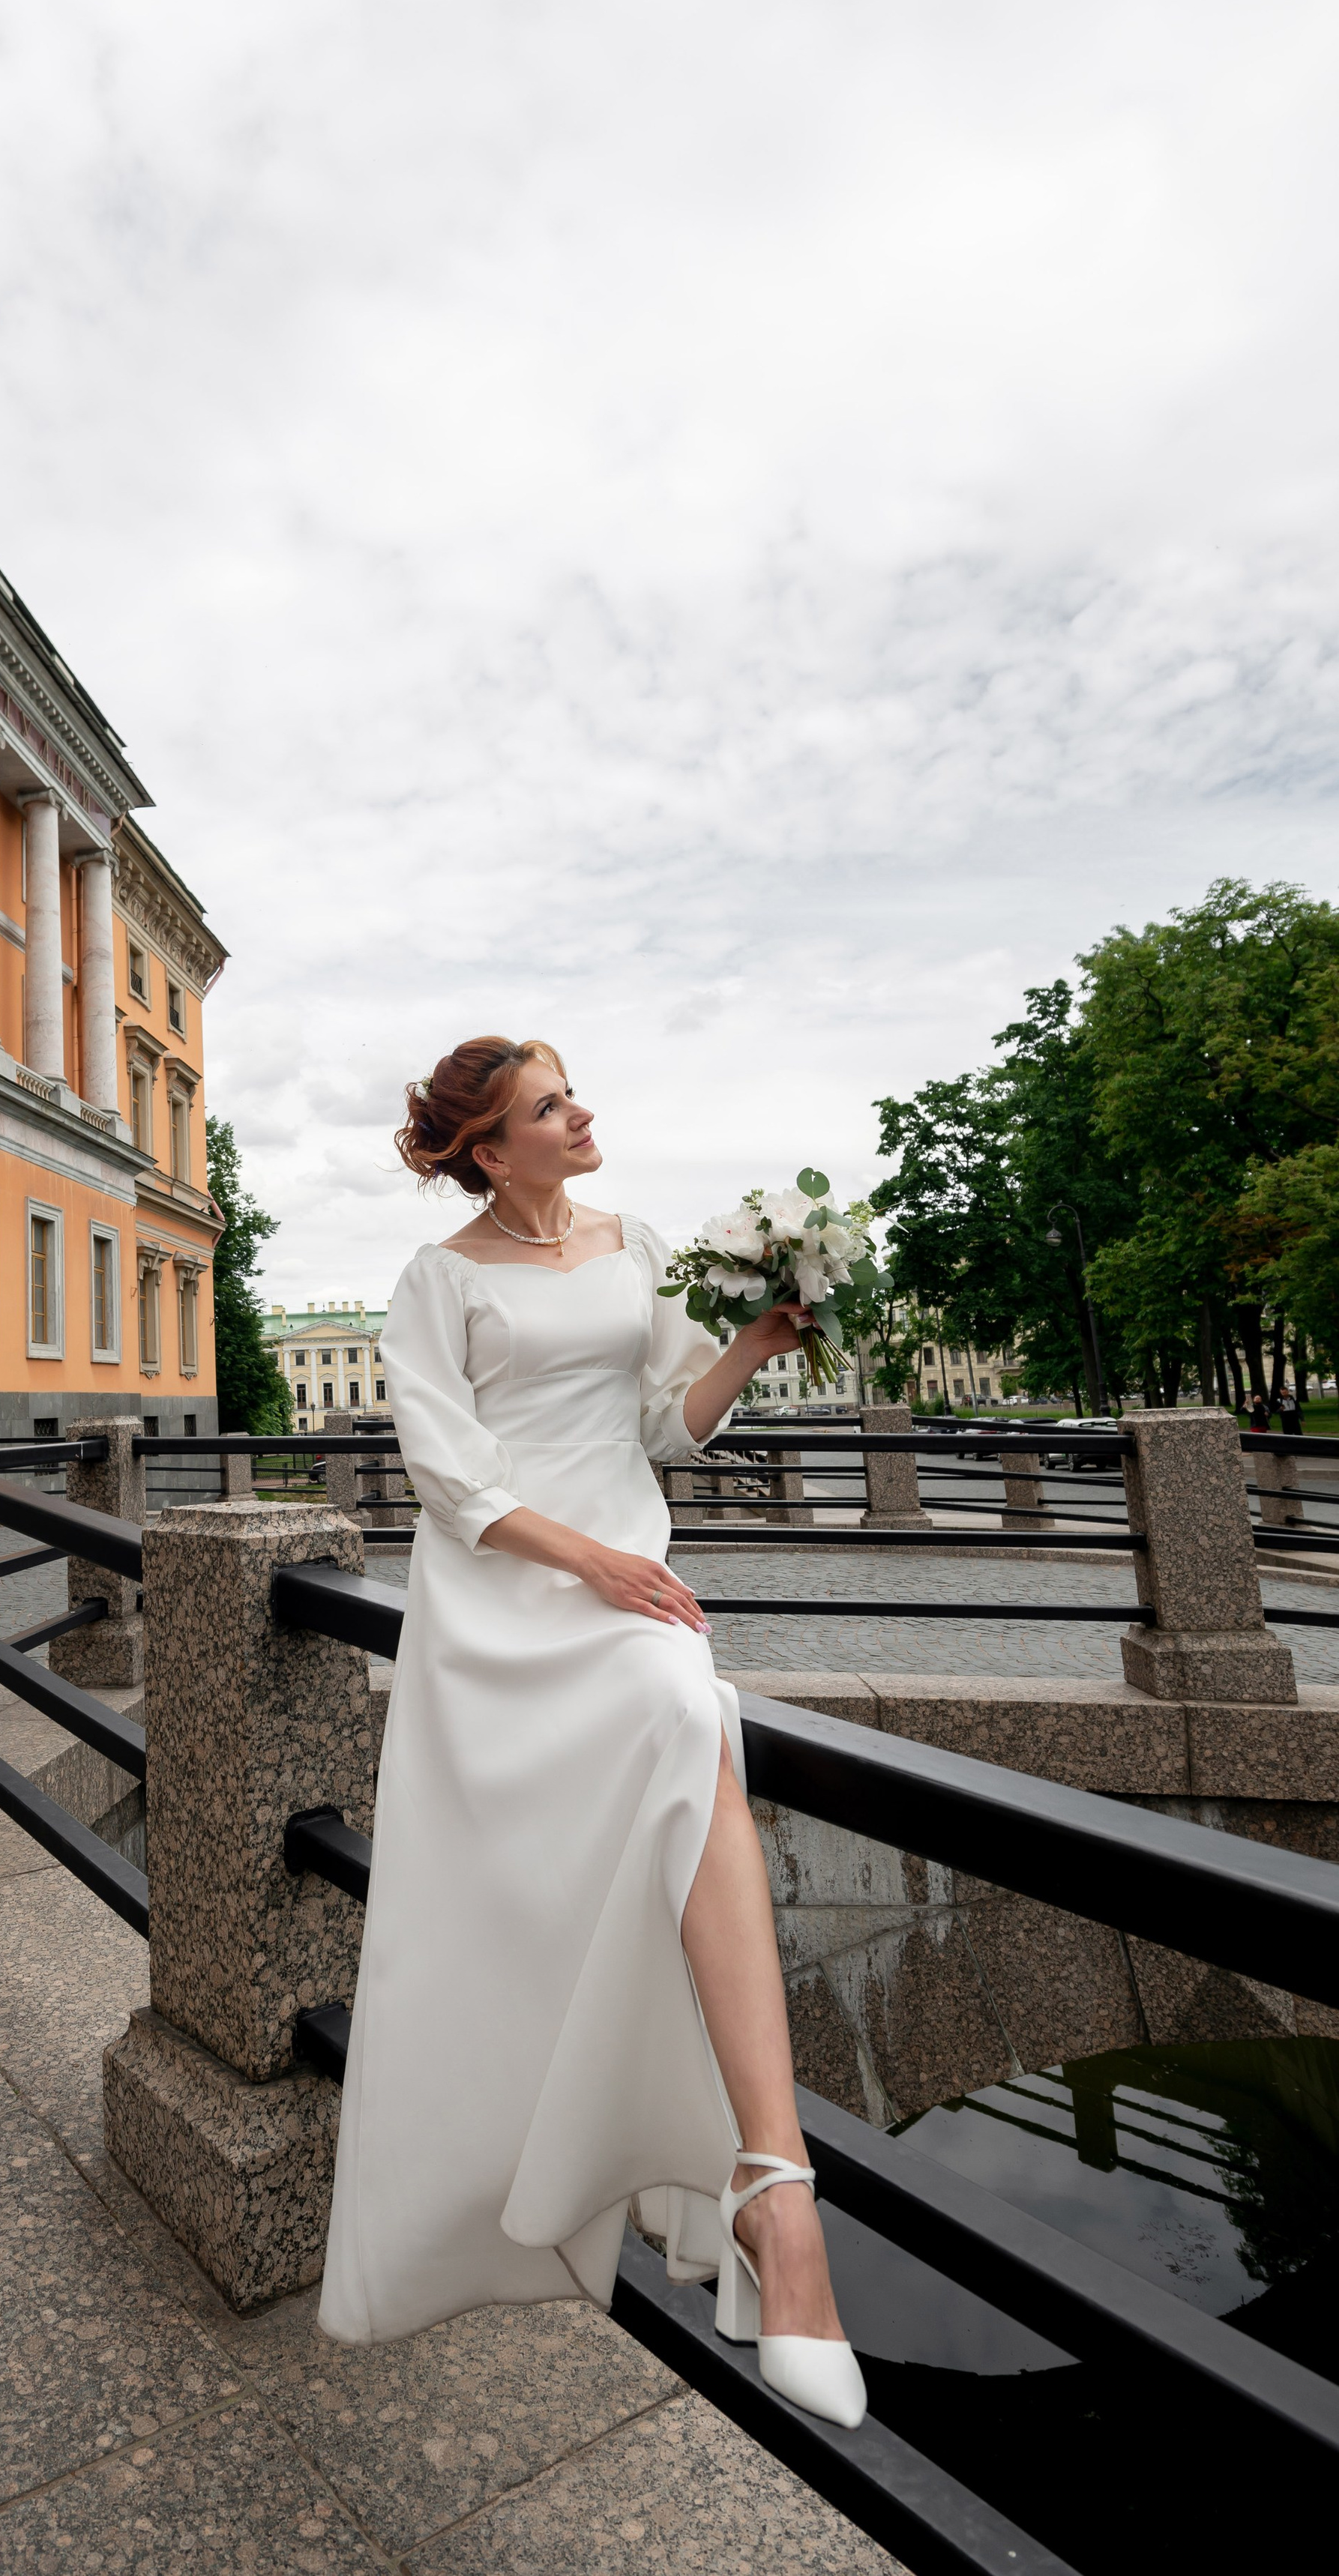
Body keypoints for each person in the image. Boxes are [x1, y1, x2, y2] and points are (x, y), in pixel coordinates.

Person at [318, 1037, 865, 2428]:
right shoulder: (436, 1281)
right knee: (648, 1767)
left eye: (573, 1095)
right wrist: (595, 1566)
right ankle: (726, 2191)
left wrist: (747, 1345)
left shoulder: (640, 1243)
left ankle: (773, 2191)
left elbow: (664, 1429)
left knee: (690, 1711)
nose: (583, 1116)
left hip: (630, 1580)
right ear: (493, 1151)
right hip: (510, 1592)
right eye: (553, 1108)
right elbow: (448, 1479)